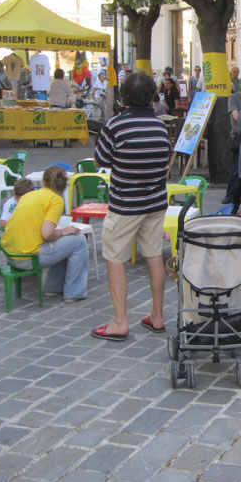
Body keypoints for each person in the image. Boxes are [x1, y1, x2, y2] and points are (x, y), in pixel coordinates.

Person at [92, 71, 171, 342]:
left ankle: (119, 321)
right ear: (151, 96)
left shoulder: (115, 126)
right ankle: (157, 315)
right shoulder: (160, 127)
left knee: (115, 257)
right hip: (155, 201)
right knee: (153, 256)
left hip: (125, 203)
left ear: (124, 96)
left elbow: (99, 161)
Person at [1, 166, 89, 302]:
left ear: (43, 182)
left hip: (11, 254)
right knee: (79, 241)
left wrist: (61, 234)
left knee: (63, 241)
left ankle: (53, 287)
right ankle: (74, 292)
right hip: (28, 257)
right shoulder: (55, 200)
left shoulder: (29, 195)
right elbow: (47, 234)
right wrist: (62, 231)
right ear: (64, 186)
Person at [223, 77, 241, 204]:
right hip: (239, 135)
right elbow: (236, 117)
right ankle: (230, 195)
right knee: (237, 167)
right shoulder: (234, 98)